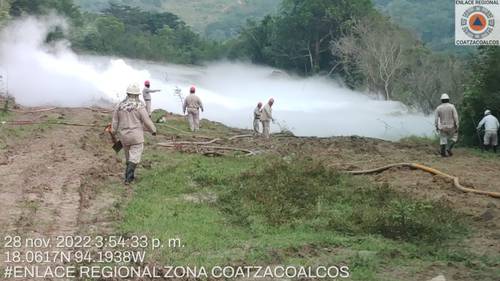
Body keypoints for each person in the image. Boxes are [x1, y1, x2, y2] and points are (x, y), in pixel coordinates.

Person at [112, 84, 157, 185]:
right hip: (136, 136)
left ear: (127, 94)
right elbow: (147, 121)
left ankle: (129, 176)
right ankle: (128, 178)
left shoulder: (119, 106)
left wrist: (113, 131)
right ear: (137, 95)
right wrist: (153, 130)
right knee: (135, 156)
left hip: (124, 136)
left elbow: (115, 121)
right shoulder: (140, 106)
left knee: (128, 156)